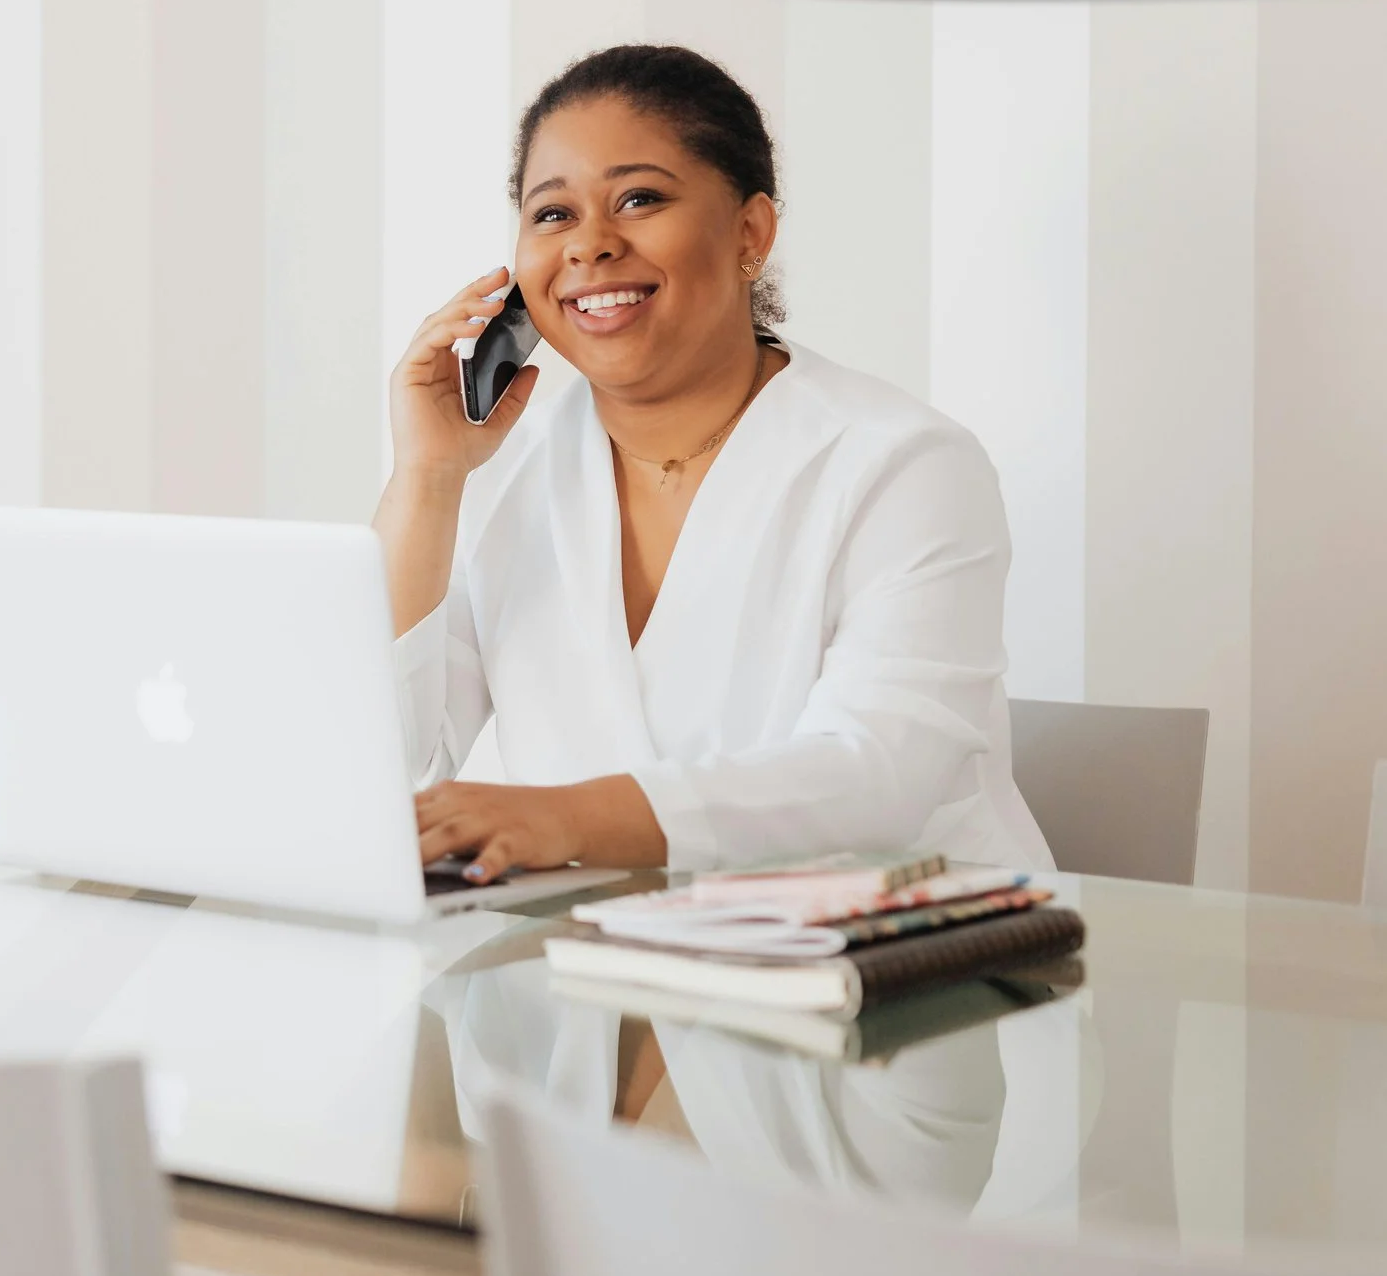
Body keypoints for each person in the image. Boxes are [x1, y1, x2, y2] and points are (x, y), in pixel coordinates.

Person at [381, 44, 1051, 885]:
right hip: (605, 971)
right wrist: (426, 479)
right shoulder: (507, 475)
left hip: (895, 975)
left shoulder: (906, 465)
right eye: (552, 215)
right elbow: (380, 763)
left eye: (639, 198)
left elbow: (875, 778)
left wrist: (561, 816)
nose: (589, 245)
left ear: (750, 232)